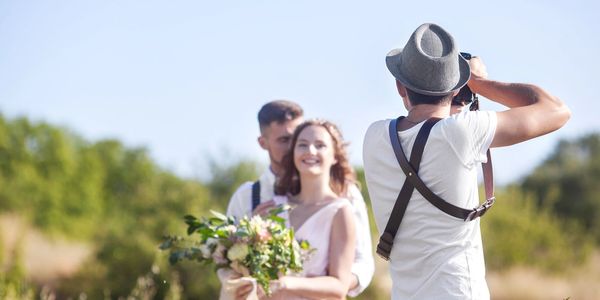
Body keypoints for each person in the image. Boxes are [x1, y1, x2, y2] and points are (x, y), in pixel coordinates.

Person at [362, 23, 570, 299]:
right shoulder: (461, 132)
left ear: (401, 87)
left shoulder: (375, 136)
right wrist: (480, 84)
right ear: (456, 86)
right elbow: (557, 110)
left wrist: (458, 95)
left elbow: (422, 134)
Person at [226, 100, 374, 296]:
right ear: (263, 143)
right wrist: (249, 234)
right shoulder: (253, 197)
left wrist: (317, 284)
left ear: (334, 154)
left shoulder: (345, 199)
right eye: (288, 140)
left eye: (319, 144)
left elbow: (361, 264)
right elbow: (227, 260)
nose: (307, 150)